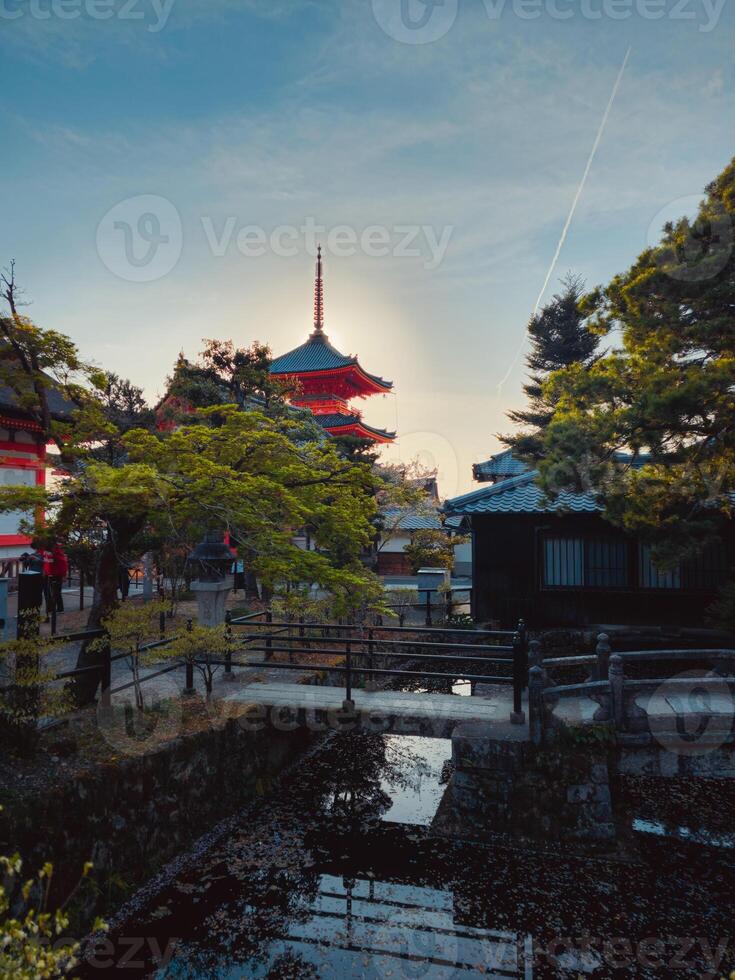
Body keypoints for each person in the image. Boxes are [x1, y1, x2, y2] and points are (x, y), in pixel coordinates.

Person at [49, 542, 68, 614]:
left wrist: (64, 576)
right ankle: (59, 608)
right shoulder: (59, 555)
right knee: (56, 592)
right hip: (56, 574)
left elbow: (63, 566)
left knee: (56, 592)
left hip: (56, 575)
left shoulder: (56, 555)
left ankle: (59, 608)